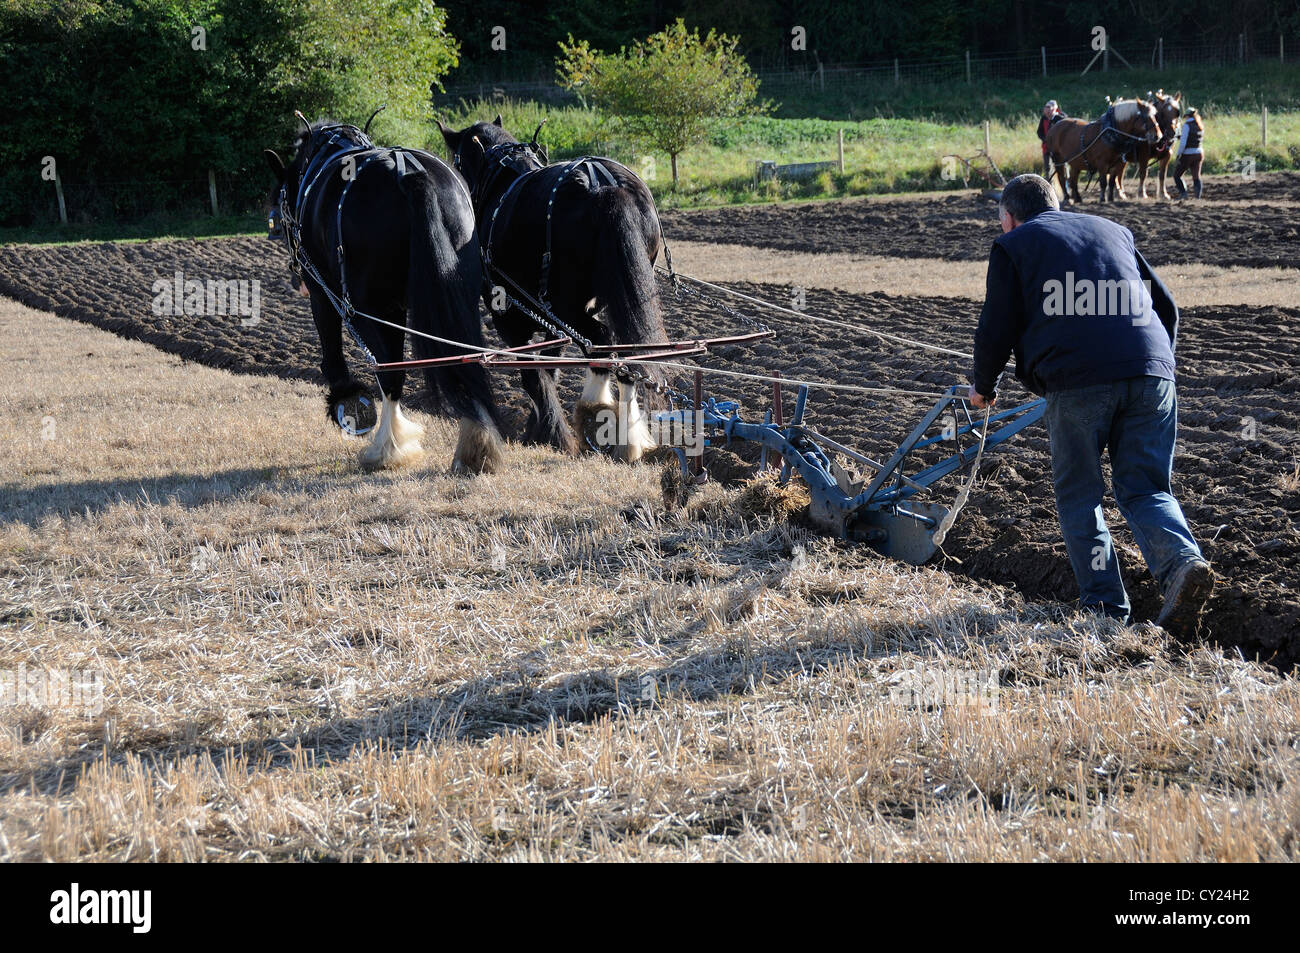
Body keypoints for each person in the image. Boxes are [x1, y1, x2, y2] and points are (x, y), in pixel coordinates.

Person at [968, 174, 1214, 637]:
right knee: (1146, 490)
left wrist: (983, 387)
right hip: (1153, 373)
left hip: (1078, 384)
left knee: (1081, 499)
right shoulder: (1113, 230)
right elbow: (1168, 307)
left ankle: (1106, 609)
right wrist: (1153, 364)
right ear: (1057, 204)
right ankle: (1183, 565)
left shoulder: (1014, 245)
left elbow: (995, 326)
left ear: (1008, 215)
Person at [1173, 106, 1204, 199]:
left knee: (1177, 175)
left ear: (1187, 116)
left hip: (1188, 154)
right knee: (1196, 176)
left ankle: (1184, 194)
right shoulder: (1199, 125)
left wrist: (1178, 154)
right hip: (1199, 153)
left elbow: (1183, 143)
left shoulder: (1186, 125)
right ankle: (1197, 197)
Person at [1036, 100, 1064, 177]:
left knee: (1061, 167)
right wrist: (1045, 140)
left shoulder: (1061, 119)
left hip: (1059, 148)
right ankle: (1048, 183)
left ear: (1054, 109)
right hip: (1047, 147)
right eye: (1046, 108)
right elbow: (1039, 132)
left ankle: (1065, 184)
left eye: (1049, 108)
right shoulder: (1044, 118)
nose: (1047, 111)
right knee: (1047, 168)